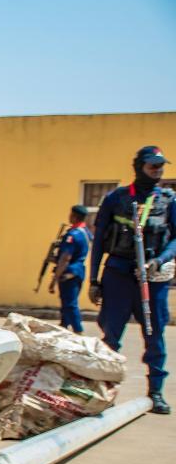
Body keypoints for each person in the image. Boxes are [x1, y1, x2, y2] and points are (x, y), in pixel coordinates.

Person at [89, 145, 176, 415]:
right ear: (139, 165)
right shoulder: (117, 198)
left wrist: (158, 261)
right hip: (118, 274)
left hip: (151, 279)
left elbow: (175, 239)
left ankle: (156, 391)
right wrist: (94, 279)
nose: (157, 170)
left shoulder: (168, 200)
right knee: (111, 335)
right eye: (152, 164)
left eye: (161, 165)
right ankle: (104, 390)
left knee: (154, 333)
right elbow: (100, 239)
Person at [48, 205, 92, 334]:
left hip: (69, 273)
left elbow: (65, 258)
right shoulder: (85, 232)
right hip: (78, 271)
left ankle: (78, 331)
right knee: (67, 303)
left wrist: (55, 279)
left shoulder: (72, 235)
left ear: (74, 216)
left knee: (70, 303)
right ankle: (63, 327)